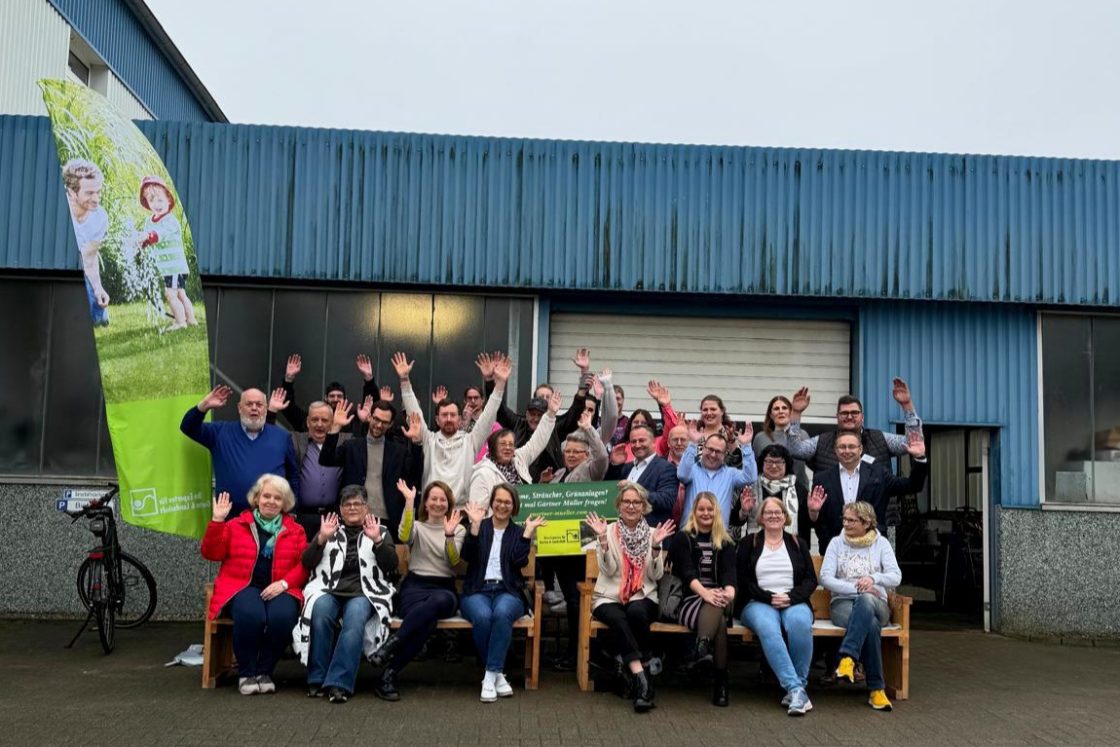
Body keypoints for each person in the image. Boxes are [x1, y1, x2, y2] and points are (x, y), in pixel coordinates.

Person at [201, 475, 308, 695]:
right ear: (257, 498)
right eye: (266, 496)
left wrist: (285, 583)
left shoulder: (296, 530)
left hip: (281, 588)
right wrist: (217, 521)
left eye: (277, 498)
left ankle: (264, 671)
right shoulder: (235, 525)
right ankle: (247, 673)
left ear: (284, 503)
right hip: (241, 587)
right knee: (252, 615)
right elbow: (211, 553)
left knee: (283, 617)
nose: (271, 501)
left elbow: (304, 565)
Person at [293, 485, 397, 704]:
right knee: (320, 612)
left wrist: (377, 541)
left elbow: (391, 565)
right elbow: (307, 562)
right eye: (347, 504)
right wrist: (320, 539)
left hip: (363, 592)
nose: (352, 508)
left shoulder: (381, 530)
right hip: (328, 588)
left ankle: (339, 682)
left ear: (366, 507)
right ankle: (317, 678)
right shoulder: (329, 531)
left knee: (355, 619)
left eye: (357, 503)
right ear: (340, 509)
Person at [369, 480, 466, 700]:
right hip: (415, 586)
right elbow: (404, 535)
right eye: (434, 498)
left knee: (437, 603)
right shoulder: (418, 526)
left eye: (443, 499)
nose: (438, 503)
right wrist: (409, 502)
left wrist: (449, 535)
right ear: (427, 503)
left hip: (444, 589)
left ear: (448, 503)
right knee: (426, 622)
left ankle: (391, 645)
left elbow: (453, 561)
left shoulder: (457, 528)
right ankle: (388, 674)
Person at [585, 483, 675, 713]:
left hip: (642, 593)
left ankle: (631, 672)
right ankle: (642, 676)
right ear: (619, 505)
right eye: (627, 502)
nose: (631, 506)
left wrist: (655, 548)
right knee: (617, 616)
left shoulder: (654, 533)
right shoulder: (609, 531)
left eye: (636, 502)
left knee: (636, 611)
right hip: (610, 595)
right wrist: (603, 541)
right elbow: (608, 570)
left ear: (644, 506)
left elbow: (655, 576)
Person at [459, 484, 546, 703]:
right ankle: (497, 674)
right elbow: (467, 556)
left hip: (508, 591)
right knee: (482, 616)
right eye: (498, 501)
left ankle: (489, 675)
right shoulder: (481, 526)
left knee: (501, 613)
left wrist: (527, 534)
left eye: (507, 502)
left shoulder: (518, 531)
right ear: (492, 502)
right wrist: (475, 527)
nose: (502, 506)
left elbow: (519, 561)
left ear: (514, 506)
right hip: (477, 589)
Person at [737, 497, 819, 716]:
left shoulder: (797, 543)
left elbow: (811, 580)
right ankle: (796, 688)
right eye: (768, 512)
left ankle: (797, 691)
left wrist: (791, 597)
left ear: (785, 517)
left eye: (778, 512)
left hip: (793, 601)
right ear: (761, 518)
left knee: (800, 623)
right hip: (758, 603)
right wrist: (769, 597)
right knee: (768, 628)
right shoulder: (749, 543)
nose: (774, 516)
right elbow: (743, 580)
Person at [820, 500, 903, 712]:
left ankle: (847, 657)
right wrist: (856, 589)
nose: (845, 524)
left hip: (877, 603)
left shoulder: (881, 543)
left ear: (866, 523)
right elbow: (826, 578)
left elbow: (896, 576)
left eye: (851, 520)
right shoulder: (836, 544)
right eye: (844, 519)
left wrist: (873, 579)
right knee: (871, 625)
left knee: (867, 602)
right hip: (843, 603)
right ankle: (877, 691)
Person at [397, 351, 507, 502]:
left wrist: (499, 384)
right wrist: (404, 380)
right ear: (437, 419)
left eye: (453, 415)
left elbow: (488, 415)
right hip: (431, 513)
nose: (449, 419)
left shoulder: (471, 441)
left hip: (460, 514)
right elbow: (413, 412)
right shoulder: (429, 440)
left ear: (460, 418)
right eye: (444, 415)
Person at [181, 385, 300, 517]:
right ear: (239, 408)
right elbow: (188, 427)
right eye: (249, 404)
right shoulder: (219, 433)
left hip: (272, 519)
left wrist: (292, 511)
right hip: (231, 519)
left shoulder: (282, 437)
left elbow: (293, 476)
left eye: (259, 404)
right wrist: (204, 405)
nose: (254, 408)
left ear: (266, 409)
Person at [317, 399, 423, 539]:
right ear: (369, 417)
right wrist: (335, 428)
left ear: (391, 424)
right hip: (355, 518)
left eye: (384, 422)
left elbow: (415, 473)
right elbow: (325, 459)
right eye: (376, 419)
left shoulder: (399, 452)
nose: (379, 425)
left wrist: (416, 443)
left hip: (388, 520)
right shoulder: (352, 446)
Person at [809, 431, 929, 554]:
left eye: (851, 446)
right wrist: (813, 512)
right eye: (842, 447)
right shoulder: (822, 478)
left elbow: (912, 486)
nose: (846, 450)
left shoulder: (879, 473)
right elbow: (817, 520)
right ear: (835, 450)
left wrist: (919, 458)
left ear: (860, 449)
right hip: (835, 550)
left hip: (872, 549)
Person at [669, 492, 737, 707]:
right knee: (720, 624)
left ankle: (702, 644)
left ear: (716, 511)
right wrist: (706, 593)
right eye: (701, 509)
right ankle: (721, 684)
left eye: (710, 509)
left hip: (720, 596)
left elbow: (729, 574)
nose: (706, 513)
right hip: (691, 598)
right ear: (694, 512)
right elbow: (687, 572)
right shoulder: (683, 538)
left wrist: (729, 592)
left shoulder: (725, 541)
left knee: (717, 601)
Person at [480, 349, 591, 481]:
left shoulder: (554, 426)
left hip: (551, 488)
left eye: (540, 415)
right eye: (532, 414)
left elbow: (575, 412)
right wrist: (490, 381)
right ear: (526, 414)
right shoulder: (518, 424)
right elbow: (498, 409)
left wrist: (584, 374)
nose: (535, 418)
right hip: (521, 485)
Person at [468, 390, 561, 507]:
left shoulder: (519, 458)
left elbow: (538, 440)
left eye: (511, 444)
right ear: (492, 447)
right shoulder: (482, 473)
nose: (507, 448)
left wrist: (551, 414)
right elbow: (477, 511)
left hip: (524, 522)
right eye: (503, 444)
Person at [268, 353, 380, 435]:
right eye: (332, 396)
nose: (335, 399)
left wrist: (369, 379)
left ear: (345, 398)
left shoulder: (355, 420)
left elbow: (372, 405)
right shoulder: (313, 419)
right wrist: (289, 379)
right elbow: (289, 409)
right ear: (325, 398)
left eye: (339, 396)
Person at [137, 175, 196, 330]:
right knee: (181, 294)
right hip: (169, 268)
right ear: (147, 202)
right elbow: (148, 238)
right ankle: (191, 320)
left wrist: (149, 237)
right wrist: (141, 243)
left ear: (169, 200)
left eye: (160, 200)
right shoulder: (149, 221)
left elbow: (159, 234)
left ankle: (180, 322)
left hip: (176, 267)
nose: (156, 204)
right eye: (151, 200)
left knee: (171, 295)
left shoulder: (170, 221)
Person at [288, 401, 346, 539]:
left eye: (324, 420)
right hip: (302, 517)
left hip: (334, 517)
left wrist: (364, 422)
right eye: (314, 419)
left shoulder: (343, 443)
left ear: (332, 423)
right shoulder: (294, 441)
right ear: (307, 422)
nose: (319, 424)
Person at [62, 158, 110, 327]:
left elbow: (89, 257)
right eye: (89, 193)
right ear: (72, 193)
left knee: (100, 319)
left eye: (98, 192)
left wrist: (98, 288)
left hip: (83, 270)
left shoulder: (100, 218)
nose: (96, 199)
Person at [733, 443, 811, 546]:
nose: (774, 466)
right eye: (769, 461)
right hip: (756, 545)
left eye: (779, 462)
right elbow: (734, 521)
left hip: (792, 547)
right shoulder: (751, 487)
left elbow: (808, 523)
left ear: (786, 464)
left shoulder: (798, 489)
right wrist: (744, 511)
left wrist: (813, 511)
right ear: (762, 463)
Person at [606, 423, 680, 526]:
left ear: (653, 442)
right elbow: (609, 490)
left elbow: (666, 500)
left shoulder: (666, 468)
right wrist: (615, 464)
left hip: (652, 535)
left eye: (642, 440)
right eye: (633, 441)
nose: (637, 445)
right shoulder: (627, 467)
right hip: (623, 535)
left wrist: (635, 490)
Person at [677, 428, 758, 524]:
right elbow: (682, 475)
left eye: (718, 452)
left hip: (719, 535)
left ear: (724, 455)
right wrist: (693, 443)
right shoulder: (691, 470)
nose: (713, 455)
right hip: (690, 534)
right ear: (703, 448)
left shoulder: (730, 474)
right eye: (710, 449)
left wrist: (746, 445)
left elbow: (750, 478)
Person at [752, 395, 809, 490]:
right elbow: (755, 470)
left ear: (791, 412)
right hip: (768, 492)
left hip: (798, 492)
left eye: (784, 408)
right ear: (770, 414)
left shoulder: (802, 435)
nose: (781, 411)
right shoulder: (760, 438)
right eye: (776, 409)